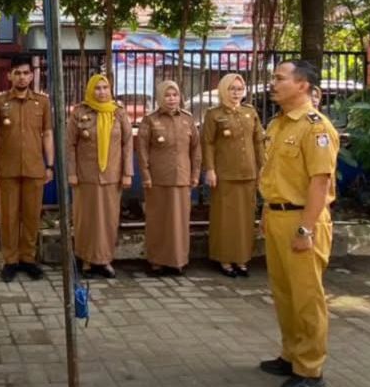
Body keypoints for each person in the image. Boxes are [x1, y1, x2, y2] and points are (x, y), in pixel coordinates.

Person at [258, 60, 339, 387]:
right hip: (277, 216)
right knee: (284, 293)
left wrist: (306, 230)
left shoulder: (315, 127)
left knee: (307, 298)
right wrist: (266, 211)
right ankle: (291, 354)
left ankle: (310, 368)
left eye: (280, 78)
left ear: (303, 85)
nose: (273, 83)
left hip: (303, 220)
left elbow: (319, 183)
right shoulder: (278, 124)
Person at [0, 54, 54, 282]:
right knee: (9, 216)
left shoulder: (42, 102)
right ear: (9, 76)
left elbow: (47, 134)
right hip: (8, 169)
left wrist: (50, 164)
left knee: (32, 216)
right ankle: (10, 260)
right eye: (18, 73)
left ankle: (28, 259)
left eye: (26, 73)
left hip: (35, 168)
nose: (22, 77)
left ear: (32, 76)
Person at [66, 73, 133, 279]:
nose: (102, 92)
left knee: (108, 219)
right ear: (90, 90)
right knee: (86, 218)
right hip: (86, 176)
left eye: (105, 88)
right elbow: (70, 145)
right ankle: (86, 259)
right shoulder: (79, 113)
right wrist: (72, 173)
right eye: (97, 88)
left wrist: (127, 173)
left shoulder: (118, 113)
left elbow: (128, 144)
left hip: (112, 176)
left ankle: (104, 260)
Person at [202, 73, 264, 277]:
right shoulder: (214, 114)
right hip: (225, 174)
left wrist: (263, 167)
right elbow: (208, 143)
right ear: (223, 90)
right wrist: (210, 169)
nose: (236, 93)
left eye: (240, 89)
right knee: (225, 219)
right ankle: (225, 258)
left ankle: (242, 258)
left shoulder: (250, 112)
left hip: (248, 173)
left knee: (246, 219)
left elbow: (258, 141)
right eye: (232, 89)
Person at [137, 80, 201, 276]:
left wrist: (195, 174)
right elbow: (142, 150)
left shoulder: (188, 119)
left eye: (175, 95)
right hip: (157, 179)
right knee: (158, 220)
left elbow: (196, 149)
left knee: (180, 222)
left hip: (182, 178)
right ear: (159, 98)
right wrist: (146, 175)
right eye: (167, 95)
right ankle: (156, 260)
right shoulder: (150, 120)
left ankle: (177, 260)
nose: (172, 99)